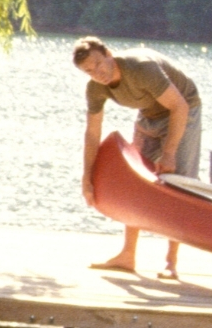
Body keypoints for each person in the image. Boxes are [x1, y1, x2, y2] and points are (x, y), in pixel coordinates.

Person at [74, 35, 204, 278]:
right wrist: (86, 177)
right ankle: (127, 255)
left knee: (177, 184)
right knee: (135, 180)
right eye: (89, 71)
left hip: (183, 109)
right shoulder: (95, 88)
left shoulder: (141, 67)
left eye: (99, 64)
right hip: (149, 114)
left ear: (109, 54)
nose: (97, 73)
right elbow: (92, 133)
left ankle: (170, 262)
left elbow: (179, 107)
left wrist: (169, 153)